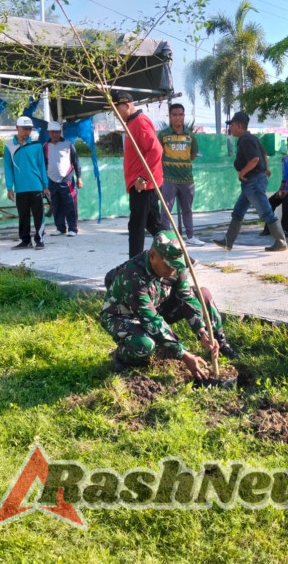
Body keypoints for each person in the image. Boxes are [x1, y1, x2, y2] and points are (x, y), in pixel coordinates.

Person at [101, 231, 240, 378]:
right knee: (144, 345)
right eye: (168, 266)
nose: (173, 270)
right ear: (152, 256)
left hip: (157, 307)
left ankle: (220, 343)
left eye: (176, 266)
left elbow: (186, 298)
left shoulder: (175, 265)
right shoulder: (134, 276)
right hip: (123, 316)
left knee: (202, 294)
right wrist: (185, 355)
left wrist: (202, 332)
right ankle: (121, 355)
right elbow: (151, 320)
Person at [213, 111, 287, 252]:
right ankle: (228, 241)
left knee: (265, 211)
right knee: (238, 211)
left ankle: (280, 240)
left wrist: (243, 172)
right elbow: (263, 154)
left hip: (252, 182)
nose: (231, 128)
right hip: (252, 182)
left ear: (239, 126)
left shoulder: (245, 140)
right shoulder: (252, 138)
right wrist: (265, 169)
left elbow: (254, 159)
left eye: (233, 125)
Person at [112, 90, 165, 258]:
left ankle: (133, 265)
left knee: (136, 226)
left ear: (127, 105)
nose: (114, 114)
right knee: (153, 225)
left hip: (143, 185)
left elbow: (156, 150)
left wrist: (142, 178)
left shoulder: (140, 122)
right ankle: (181, 257)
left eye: (115, 109)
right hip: (142, 183)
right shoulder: (132, 123)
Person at [158, 103, 204, 246]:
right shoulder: (163, 135)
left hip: (187, 180)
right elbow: (158, 155)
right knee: (166, 211)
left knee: (187, 210)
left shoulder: (190, 136)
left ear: (184, 116)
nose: (178, 118)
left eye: (180, 115)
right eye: (175, 115)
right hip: (168, 180)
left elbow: (192, 156)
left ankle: (190, 237)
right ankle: (168, 239)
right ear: (170, 117)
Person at [3, 116, 50, 250]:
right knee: (23, 216)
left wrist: (45, 186)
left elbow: (41, 166)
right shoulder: (9, 146)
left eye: (29, 129)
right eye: (24, 129)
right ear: (17, 128)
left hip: (36, 186)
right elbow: (8, 168)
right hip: (20, 188)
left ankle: (40, 240)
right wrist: (9, 188)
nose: (27, 132)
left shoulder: (36, 146)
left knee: (38, 215)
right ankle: (25, 241)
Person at [44, 120, 83, 237]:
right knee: (56, 206)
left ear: (60, 132)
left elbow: (76, 162)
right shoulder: (45, 147)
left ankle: (73, 228)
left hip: (67, 180)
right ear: (48, 133)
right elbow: (44, 164)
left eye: (56, 132)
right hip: (52, 181)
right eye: (52, 132)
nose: (54, 134)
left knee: (70, 205)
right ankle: (60, 228)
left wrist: (79, 177)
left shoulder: (68, 145)